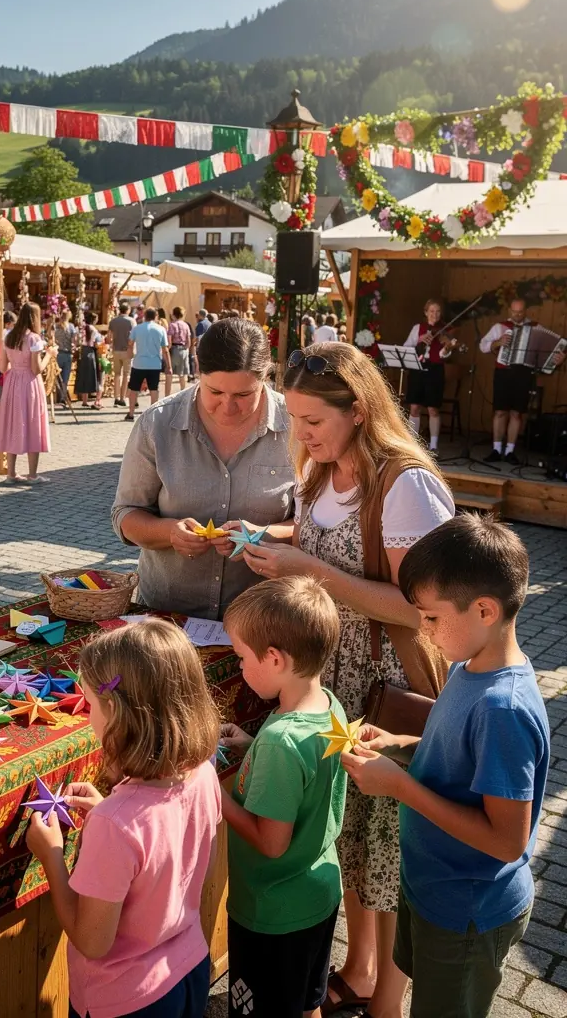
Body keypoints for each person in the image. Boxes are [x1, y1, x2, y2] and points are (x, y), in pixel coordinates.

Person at [240, 342, 454, 1018]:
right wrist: (266, 540)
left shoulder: (403, 483)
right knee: (351, 832)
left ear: (358, 411)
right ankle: (359, 967)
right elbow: (321, 541)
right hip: (338, 671)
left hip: (384, 680)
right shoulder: (324, 470)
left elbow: (419, 607)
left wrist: (308, 572)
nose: (300, 435)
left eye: (312, 421)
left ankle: (387, 994)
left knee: (384, 842)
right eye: (295, 420)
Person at [343, 514, 549, 1018]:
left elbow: (507, 841)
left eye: (431, 618)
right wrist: (402, 743)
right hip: (433, 890)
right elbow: (456, 752)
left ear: (483, 609)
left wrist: (400, 788)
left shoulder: (504, 708)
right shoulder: (468, 666)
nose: (424, 629)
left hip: (469, 913)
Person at [26, 619, 222, 1018]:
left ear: (115, 711)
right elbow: (175, 860)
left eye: (90, 705)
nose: (88, 718)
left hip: (127, 1000)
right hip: (188, 969)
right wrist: (110, 815)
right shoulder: (203, 771)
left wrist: (52, 858)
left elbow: (91, 940)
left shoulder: (115, 824)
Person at [220, 576, 346, 1018]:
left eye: (241, 658)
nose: (238, 669)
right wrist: (251, 744)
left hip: (273, 912)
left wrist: (217, 797)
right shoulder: (328, 705)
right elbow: (307, 775)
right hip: (319, 893)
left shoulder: (281, 742)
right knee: (307, 1000)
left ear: (274, 658)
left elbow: (271, 843)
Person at [113, 318, 295, 619]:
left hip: (263, 619)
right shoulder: (157, 424)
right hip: (166, 613)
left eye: (243, 395)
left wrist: (262, 534)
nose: (227, 406)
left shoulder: (295, 425)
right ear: (198, 371)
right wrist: (169, 532)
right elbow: (126, 514)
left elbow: (313, 525)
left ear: (266, 376)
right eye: (215, 392)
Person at [480, 298, 565, 464]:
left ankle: (510, 451)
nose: (517, 315)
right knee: (500, 412)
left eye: (520, 312)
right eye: (514, 311)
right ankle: (496, 449)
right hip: (503, 372)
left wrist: (558, 359)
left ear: (525, 311)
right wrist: (497, 343)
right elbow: (483, 345)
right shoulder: (500, 327)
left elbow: (549, 350)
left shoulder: (535, 327)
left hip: (524, 373)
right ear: (509, 311)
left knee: (516, 413)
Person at [0, 301, 51, 483]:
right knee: (33, 423)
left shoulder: (8, 337)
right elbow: (36, 369)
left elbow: (3, 368)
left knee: (13, 423)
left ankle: (11, 473)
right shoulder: (34, 339)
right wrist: (50, 355)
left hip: (12, 382)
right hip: (29, 383)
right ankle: (32, 475)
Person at [403, 299, 456, 453]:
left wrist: (447, 349)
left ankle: (433, 446)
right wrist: (418, 340)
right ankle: (412, 444)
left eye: (438, 311)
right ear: (426, 312)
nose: (434, 314)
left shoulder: (445, 330)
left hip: (435, 369)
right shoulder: (417, 328)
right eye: (431, 311)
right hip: (417, 368)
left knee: (433, 408)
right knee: (414, 407)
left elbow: (442, 355)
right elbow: (406, 347)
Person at [124, 307, 170, 421]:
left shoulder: (137, 329)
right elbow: (165, 349)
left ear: (144, 316)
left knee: (134, 389)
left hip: (139, 363)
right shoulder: (161, 329)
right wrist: (168, 366)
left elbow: (130, 344)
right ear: (156, 316)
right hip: (154, 364)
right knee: (154, 389)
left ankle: (130, 413)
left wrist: (130, 354)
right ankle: (153, 414)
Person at [108, 301, 134, 407]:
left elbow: (109, 337)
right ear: (128, 310)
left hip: (116, 350)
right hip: (127, 350)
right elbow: (133, 337)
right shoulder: (132, 321)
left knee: (117, 375)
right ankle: (123, 398)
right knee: (126, 375)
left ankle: (116, 397)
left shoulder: (113, 321)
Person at [74, 312, 103, 409]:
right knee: (90, 375)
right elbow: (97, 342)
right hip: (90, 352)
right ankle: (90, 399)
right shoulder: (93, 329)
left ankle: (84, 400)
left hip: (82, 351)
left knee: (83, 375)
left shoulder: (81, 328)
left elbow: (76, 340)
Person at [53, 308, 79, 406]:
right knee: (65, 378)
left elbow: (51, 338)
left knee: (55, 376)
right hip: (67, 354)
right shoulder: (71, 327)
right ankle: (63, 396)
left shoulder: (55, 327)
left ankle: (56, 396)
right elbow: (75, 340)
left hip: (58, 353)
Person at [167, 306, 193, 393]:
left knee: (169, 373)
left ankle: (168, 394)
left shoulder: (172, 325)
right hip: (184, 350)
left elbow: (169, 341)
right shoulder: (186, 325)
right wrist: (186, 349)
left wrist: (168, 351)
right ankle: (183, 393)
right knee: (182, 374)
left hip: (174, 349)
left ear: (174, 315)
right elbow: (189, 341)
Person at [193, 308, 211, 377]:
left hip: (201, 346)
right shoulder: (210, 323)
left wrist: (195, 347)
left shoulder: (200, 324)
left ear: (200, 315)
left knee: (199, 363)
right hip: (208, 346)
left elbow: (198, 338)